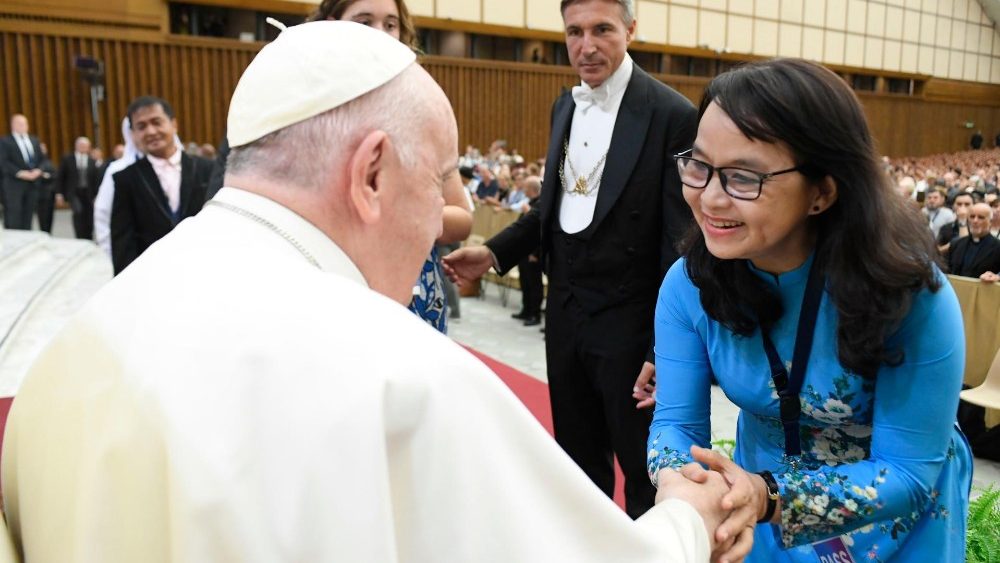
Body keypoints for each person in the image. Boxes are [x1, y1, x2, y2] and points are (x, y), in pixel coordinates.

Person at [1, 21, 739, 563]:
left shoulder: (91, 325)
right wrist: (684, 519)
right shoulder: (399, 374)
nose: (440, 222)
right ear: (372, 173)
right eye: (438, 182)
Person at [646, 58, 972, 562]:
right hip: (759, 507)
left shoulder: (909, 295)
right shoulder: (689, 285)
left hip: (892, 514)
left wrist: (769, 496)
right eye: (699, 166)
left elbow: (907, 472)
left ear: (822, 191)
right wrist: (680, 485)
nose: (709, 198)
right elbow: (675, 425)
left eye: (742, 178)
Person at [444, 0, 697, 519]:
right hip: (565, 312)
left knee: (644, 471)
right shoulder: (565, 105)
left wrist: (663, 346)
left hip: (631, 324)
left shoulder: (672, 115)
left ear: (630, 29)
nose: (587, 46)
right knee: (577, 465)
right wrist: (493, 252)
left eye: (602, 30)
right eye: (574, 32)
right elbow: (552, 208)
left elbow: (680, 243)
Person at [311, 0, 474, 333]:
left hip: (414, 296)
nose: (380, 34)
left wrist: (403, 214)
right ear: (332, 23)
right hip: (332, 286)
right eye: (364, 22)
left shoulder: (422, 107)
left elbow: (461, 217)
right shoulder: (306, 104)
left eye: (390, 24)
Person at [109, 96, 212, 274]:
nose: (151, 131)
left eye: (157, 122)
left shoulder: (207, 169)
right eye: (141, 127)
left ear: (174, 124)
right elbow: (123, 242)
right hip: (153, 275)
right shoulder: (125, 179)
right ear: (133, 135)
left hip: (204, 269)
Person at [0, 114, 44, 229]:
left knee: (28, 216)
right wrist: (20, 173)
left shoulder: (34, 140)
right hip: (13, 185)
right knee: (13, 216)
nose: (23, 126)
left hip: (32, 184)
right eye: (19, 123)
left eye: (24, 124)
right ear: (13, 125)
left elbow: (42, 159)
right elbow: (3, 162)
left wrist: (39, 170)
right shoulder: (5, 141)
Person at [57, 136, 100, 239]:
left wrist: (97, 195)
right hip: (74, 193)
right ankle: (79, 236)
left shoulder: (92, 161)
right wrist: (59, 194)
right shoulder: (68, 159)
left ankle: (88, 237)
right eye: (81, 145)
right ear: (76, 146)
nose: (83, 148)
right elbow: (61, 177)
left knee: (89, 215)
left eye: (86, 146)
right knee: (78, 212)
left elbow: (96, 180)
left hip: (88, 193)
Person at [947, 202, 1000, 279]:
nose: (975, 221)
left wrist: (997, 277)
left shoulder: (997, 247)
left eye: (981, 217)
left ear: (990, 222)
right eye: (972, 217)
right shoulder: (956, 244)